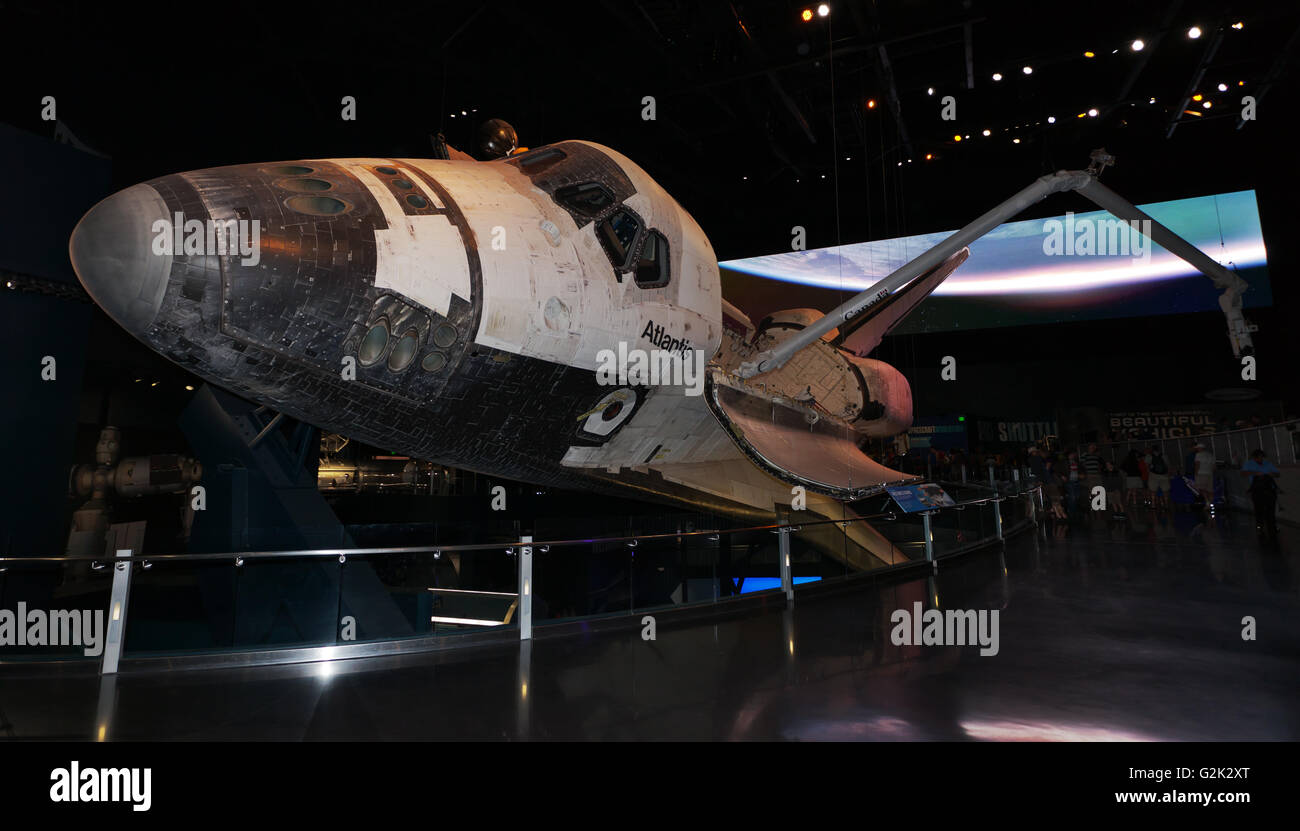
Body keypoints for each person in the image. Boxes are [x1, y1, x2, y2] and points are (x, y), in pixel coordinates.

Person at [1240, 449, 1281, 541]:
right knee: (1259, 509)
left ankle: (1272, 527)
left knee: (1270, 509)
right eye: (1258, 458)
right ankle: (1260, 527)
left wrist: (1272, 474)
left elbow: (1277, 474)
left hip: (1269, 490)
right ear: (1254, 457)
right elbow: (1242, 473)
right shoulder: (1249, 464)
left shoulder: (1267, 463)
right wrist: (1254, 473)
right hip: (1257, 490)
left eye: (1261, 457)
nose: (1260, 459)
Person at [1146, 446, 1171, 511]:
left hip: (1153, 475)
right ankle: (1166, 505)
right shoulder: (1164, 455)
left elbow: (1147, 466)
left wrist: (1149, 473)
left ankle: (1153, 505)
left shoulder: (1149, 456)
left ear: (1152, 450)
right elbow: (1168, 465)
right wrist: (1168, 475)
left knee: (1153, 491)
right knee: (1165, 491)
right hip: (1164, 475)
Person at [1193, 441, 1216, 506]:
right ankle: (1211, 503)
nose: (1197, 449)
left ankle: (1207, 502)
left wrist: (1195, 473)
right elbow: (1214, 467)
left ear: (1200, 448)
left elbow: (1197, 464)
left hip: (1201, 473)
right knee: (1210, 489)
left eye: (1197, 448)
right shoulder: (1211, 455)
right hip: (1209, 474)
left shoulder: (1198, 455)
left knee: (1202, 488)